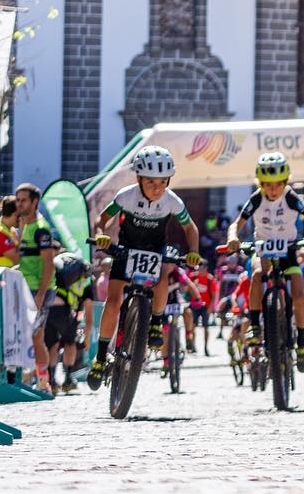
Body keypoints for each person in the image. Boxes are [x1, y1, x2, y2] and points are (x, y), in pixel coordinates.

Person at [86, 147, 202, 390]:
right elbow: (101, 220)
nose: (157, 188)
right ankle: (100, 357)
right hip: (127, 248)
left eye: (162, 182)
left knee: (163, 276)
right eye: (150, 182)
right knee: (114, 300)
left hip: (154, 250)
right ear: (138, 178)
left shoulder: (172, 200)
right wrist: (101, 236)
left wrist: (193, 252)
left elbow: (191, 229)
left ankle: (156, 323)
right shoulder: (126, 196)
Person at [226, 152, 304, 373]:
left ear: (285, 182)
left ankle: (301, 342)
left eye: (278, 185)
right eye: (268, 185)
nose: (273, 190)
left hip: (288, 249)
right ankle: (254, 325)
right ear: (260, 184)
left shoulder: (291, 196)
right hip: (263, 247)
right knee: (256, 275)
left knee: (300, 296)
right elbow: (235, 224)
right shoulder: (256, 198)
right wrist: (232, 238)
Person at [14, 182, 58, 393]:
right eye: (17, 200)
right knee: (33, 336)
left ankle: (42, 382)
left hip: (38, 290)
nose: (19, 204)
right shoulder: (23, 224)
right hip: (25, 287)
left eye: (23, 200)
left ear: (35, 202)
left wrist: (41, 293)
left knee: (35, 336)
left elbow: (48, 263)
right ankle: (40, 380)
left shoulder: (41, 228)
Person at [44, 252, 94, 394]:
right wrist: (87, 338)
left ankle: (52, 381)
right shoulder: (85, 285)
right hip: (64, 311)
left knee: (52, 345)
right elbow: (89, 317)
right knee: (70, 343)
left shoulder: (58, 277)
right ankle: (67, 380)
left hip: (49, 307)